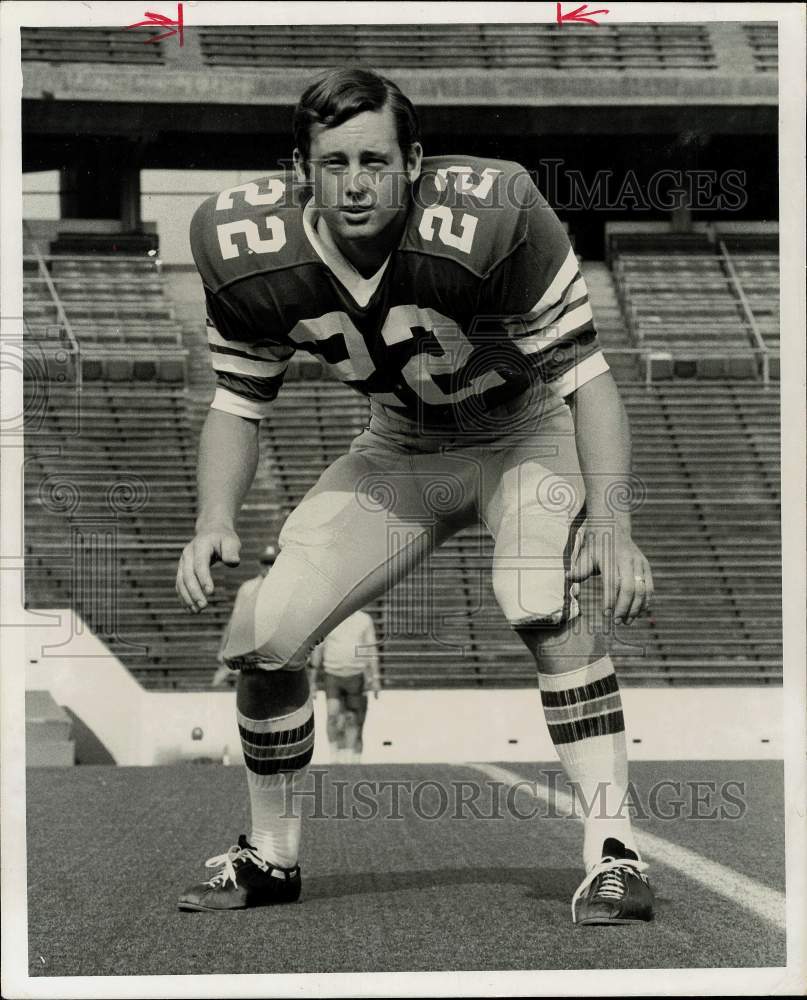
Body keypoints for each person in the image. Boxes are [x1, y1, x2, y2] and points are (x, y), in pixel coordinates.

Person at [175, 67, 655, 924]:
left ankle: (613, 851)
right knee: (262, 632)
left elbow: (588, 381)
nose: (354, 183)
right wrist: (213, 517)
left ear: (414, 163)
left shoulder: (494, 212)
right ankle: (270, 857)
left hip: (523, 433)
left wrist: (612, 523)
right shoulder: (244, 243)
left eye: (373, 160)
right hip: (397, 448)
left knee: (536, 593)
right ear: (301, 170)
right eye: (332, 164)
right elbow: (237, 402)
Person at [308, 609, 381, 762]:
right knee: (333, 715)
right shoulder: (328, 619)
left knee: (352, 718)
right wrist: (312, 681)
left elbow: (370, 649)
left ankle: (349, 756)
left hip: (356, 675)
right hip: (333, 675)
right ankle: (334, 755)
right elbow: (318, 650)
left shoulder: (364, 619)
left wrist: (374, 677)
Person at [211, 545, 278, 688]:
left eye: (272, 562)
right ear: (260, 564)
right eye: (266, 562)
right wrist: (223, 647)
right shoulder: (248, 588)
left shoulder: (283, 588)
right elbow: (235, 620)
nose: (269, 567)